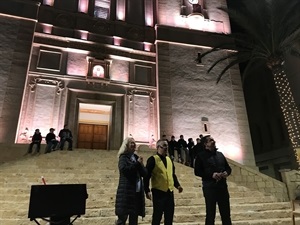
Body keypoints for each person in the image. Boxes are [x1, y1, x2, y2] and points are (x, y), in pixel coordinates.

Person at [194, 135, 232, 225]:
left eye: (213, 140)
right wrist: (212, 175)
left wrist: (227, 173)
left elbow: (228, 168)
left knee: (226, 214)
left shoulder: (220, 154)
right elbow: (197, 171)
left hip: (222, 187)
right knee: (211, 215)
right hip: (209, 188)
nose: (213, 141)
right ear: (205, 144)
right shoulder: (201, 156)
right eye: (211, 140)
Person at [144, 139, 183, 225]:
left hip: (169, 192)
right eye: (163, 146)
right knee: (157, 217)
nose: (166, 148)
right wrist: (146, 190)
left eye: (167, 146)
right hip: (158, 192)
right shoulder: (153, 159)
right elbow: (147, 176)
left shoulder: (169, 159)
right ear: (158, 147)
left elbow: (172, 174)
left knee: (169, 217)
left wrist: (178, 185)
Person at [115, 137, 147, 225]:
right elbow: (124, 170)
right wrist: (137, 164)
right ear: (126, 146)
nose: (133, 144)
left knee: (134, 219)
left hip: (136, 193)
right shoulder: (123, 158)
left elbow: (144, 173)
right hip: (126, 193)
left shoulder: (136, 157)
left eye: (134, 143)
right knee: (122, 219)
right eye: (131, 143)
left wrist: (141, 164)